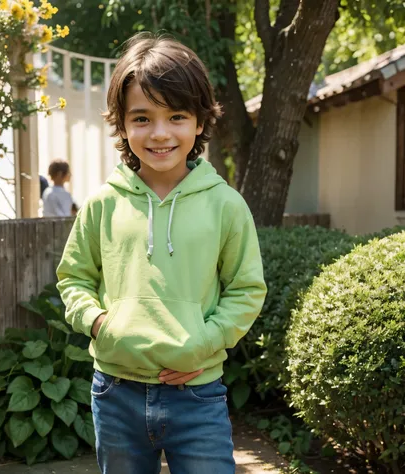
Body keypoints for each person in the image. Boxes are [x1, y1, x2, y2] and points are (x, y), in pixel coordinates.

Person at [56, 32, 267, 474]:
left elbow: (246, 290)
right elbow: (73, 278)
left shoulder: (225, 205)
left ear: (199, 121)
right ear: (121, 123)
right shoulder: (102, 204)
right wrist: (100, 324)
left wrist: (203, 344)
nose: (160, 133)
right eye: (141, 118)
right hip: (115, 393)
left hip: (198, 395)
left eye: (176, 116)